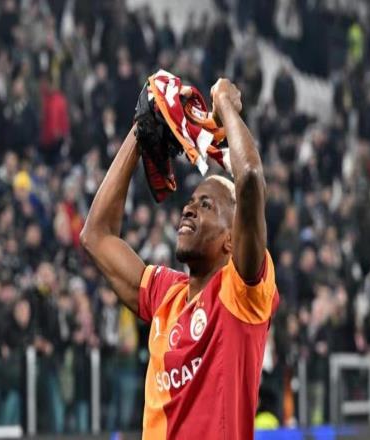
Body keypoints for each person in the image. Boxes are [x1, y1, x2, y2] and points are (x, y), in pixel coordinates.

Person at [81, 78, 279, 439]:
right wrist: (140, 132)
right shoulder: (166, 296)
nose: (189, 210)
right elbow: (96, 236)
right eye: (190, 203)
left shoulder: (242, 293)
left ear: (232, 239)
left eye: (206, 205)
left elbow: (250, 179)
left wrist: (225, 105)